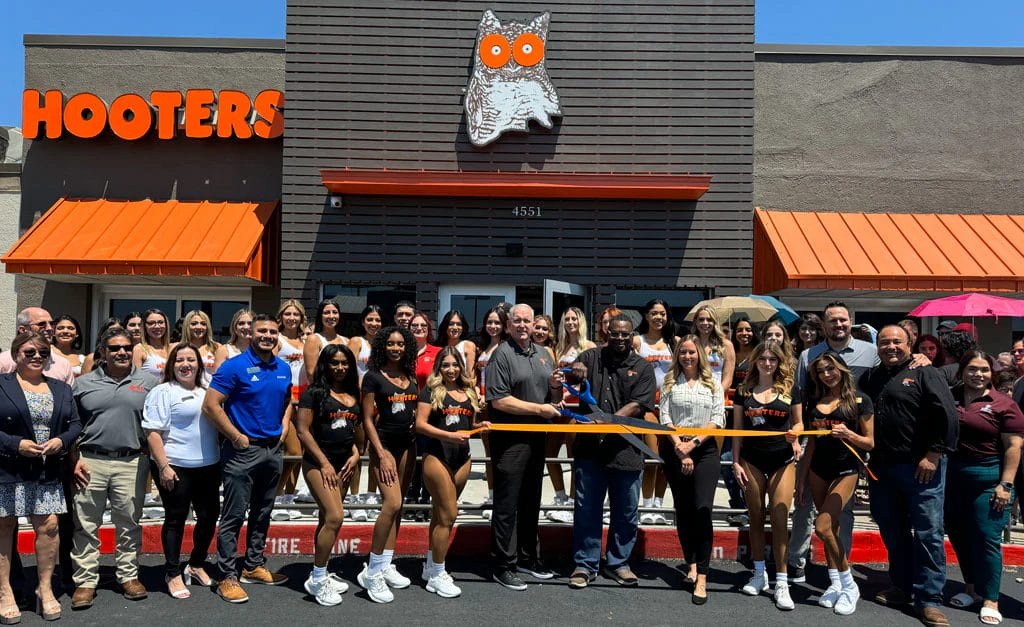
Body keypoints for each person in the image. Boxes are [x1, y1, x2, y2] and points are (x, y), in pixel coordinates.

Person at [861, 325, 957, 627]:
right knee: (893, 530)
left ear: (909, 343)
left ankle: (929, 599)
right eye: (884, 342)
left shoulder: (925, 372)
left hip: (921, 468)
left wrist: (934, 454)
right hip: (882, 469)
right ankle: (901, 586)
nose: (890, 347)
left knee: (928, 533)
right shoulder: (871, 377)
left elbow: (947, 414)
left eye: (896, 342)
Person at [203, 314, 293, 604]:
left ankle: (253, 565)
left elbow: (287, 400)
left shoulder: (283, 367)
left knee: (263, 511)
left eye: (273, 332)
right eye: (262, 331)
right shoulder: (234, 366)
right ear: (251, 334)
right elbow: (211, 405)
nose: (268, 335)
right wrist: (235, 436)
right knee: (234, 515)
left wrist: (284, 427)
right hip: (243, 451)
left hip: (272, 449)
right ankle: (227, 576)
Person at [788, 301, 880, 582]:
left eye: (842, 319)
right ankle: (796, 560)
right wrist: (798, 430)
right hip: (816, 435)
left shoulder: (872, 352)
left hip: (849, 442)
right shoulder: (809, 355)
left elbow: (883, 384)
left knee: (843, 511)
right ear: (824, 325)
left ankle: (840, 568)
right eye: (832, 320)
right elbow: (800, 395)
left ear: (850, 321)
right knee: (803, 503)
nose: (838, 324)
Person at [70, 328, 158, 610]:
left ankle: (128, 576)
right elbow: (70, 425)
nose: (122, 352)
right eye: (115, 348)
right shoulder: (83, 384)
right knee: (85, 524)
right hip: (90, 460)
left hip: (131, 461)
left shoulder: (149, 382)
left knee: (129, 523)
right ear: (103, 352)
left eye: (127, 348)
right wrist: (73, 458)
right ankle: (85, 581)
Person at [565, 314, 655, 590]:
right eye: (614, 333)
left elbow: (638, 404)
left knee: (626, 511)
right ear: (606, 333)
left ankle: (618, 563)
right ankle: (585, 564)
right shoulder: (589, 357)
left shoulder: (643, 368)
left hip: (626, 450)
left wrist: (607, 420)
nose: (619, 338)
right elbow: (571, 376)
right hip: (590, 449)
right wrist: (575, 370)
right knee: (587, 509)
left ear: (632, 335)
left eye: (625, 334)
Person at [0, 332, 80, 623]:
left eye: (43, 353)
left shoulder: (61, 388)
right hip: (8, 467)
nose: (36, 357)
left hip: (46, 468)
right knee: (4, 527)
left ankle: (44, 589)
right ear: (16, 354)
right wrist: (15, 444)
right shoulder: (2, 384)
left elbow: (75, 424)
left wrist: (62, 441)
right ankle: (5, 591)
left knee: (49, 526)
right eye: (29, 352)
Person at [486, 304, 562, 591]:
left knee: (531, 500)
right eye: (516, 320)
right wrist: (539, 409)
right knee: (507, 504)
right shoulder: (501, 355)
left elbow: (552, 396)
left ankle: (529, 558)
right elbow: (499, 400)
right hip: (511, 441)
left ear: (533, 324)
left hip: (537, 437)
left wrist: (554, 387)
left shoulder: (543, 354)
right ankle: (503, 565)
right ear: (508, 326)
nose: (522, 325)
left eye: (526, 321)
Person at [945, 350, 1023, 625]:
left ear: (992, 373)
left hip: (989, 478)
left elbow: (1013, 447)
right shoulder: (949, 396)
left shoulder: (1003, 404)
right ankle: (971, 589)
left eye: (984, 370)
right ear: (962, 371)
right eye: (972, 369)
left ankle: (991, 599)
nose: (978, 374)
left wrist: (1006, 484)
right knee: (959, 535)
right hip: (953, 477)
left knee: (986, 538)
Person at [142, 343, 220, 600]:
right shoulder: (163, 391)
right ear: (171, 365)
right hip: (175, 466)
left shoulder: (208, 389)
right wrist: (163, 466)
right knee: (175, 519)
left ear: (199, 364)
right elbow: (153, 432)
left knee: (209, 517)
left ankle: (196, 564)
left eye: (191, 360)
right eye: (179, 360)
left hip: (209, 465)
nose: (186, 365)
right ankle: (172, 572)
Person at [797, 353, 874, 615]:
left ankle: (849, 585)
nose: (827, 375)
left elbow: (870, 443)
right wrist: (801, 479)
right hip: (818, 471)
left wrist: (849, 434)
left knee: (822, 526)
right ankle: (836, 583)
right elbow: (811, 444)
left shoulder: (860, 400)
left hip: (846, 469)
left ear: (841, 368)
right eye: (821, 371)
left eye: (831, 369)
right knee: (833, 529)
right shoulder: (815, 402)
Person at [732, 340, 802, 611]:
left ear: (779, 362)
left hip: (782, 460)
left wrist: (796, 436)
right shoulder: (743, 390)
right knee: (756, 516)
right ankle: (759, 573)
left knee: (780, 516)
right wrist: (735, 462)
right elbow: (737, 430)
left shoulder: (790, 388)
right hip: (751, 460)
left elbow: (799, 422)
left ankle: (782, 581)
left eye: (773, 359)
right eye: (763, 359)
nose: (768, 363)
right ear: (755, 361)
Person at [415, 347, 490, 598]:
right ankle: (438, 574)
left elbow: (468, 423)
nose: (451, 369)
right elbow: (420, 425)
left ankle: (430, 565)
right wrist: (448, 436)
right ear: (439, 367)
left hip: (463, 457)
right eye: (446, 365)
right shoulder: (430, 391)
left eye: (455, 364)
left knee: (440, 514)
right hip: (437, 456)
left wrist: (480, 426)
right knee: (449, 515)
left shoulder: (468, 391)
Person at [658, 334, 724, 603]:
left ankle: (704, 577)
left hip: (704, 449)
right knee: (684, 510)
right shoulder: (669, 381)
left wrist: (693, 444)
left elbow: (717, 419)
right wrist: (679, 446)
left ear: (700, 355)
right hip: (675, 448)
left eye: (692, 352)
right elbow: (664, 417)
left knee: (702, 510)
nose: (687, 356)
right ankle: (692, 565)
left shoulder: (713, 383)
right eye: (683, 352)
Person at [294, 344, 362, 607]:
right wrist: (324, 463)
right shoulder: (314, 392)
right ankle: (317, 578)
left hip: (344, 465)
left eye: (345, 363)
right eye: (335, 362)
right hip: (318, 464)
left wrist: (355, 454)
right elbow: (302, 431)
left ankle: (321, 571)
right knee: (335, 516)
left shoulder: (352, 392)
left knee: (326, 519)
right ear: (325, 364)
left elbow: (350, 429)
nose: (340, 367)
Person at [357, 326, 418, 603]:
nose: (396, 348)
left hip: (409, 445)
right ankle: (372, 569)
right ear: (383, 346)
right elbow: (367, 418)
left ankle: (386, 564)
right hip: (385, 446)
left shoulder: (410, 375)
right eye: (391, 344)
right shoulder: (372, 377)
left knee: (399, 506)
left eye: (401, 344)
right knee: (391, 504)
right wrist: (380, 453)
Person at [548, 307, 596, 524]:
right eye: (566, 319)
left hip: (577, 409)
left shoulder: (590, 347)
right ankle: (560, 497)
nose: (570, 322)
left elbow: (592, 379)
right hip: (558, 408)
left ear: (581, 321)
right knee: (549, 454)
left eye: (574, 319)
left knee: (574, 457)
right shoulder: (558, 348)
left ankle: (574, 502)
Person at [632, 299, 677, 525]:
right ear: (646, 316)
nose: (658, 317)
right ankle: (647, 505)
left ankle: (658, 505)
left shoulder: (674, 342)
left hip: (671, 406)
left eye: (662, 313)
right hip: (647, 406)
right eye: (654, 313)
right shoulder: (637, 341)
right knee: (652, 456)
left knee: (667, 459)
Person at [349, 305, 384, 522]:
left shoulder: (383, 344)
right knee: (358, 450)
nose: (374, 324)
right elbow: (349, 371)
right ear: (363, 321)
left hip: (380, 403)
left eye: (377, 320)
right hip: (360, 402)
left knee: (375, 452)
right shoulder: (356, 342)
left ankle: (371, 496)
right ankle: (354, 499)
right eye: (370, 319)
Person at [475, 306, 509, 520]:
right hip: (484, 408)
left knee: (502, 455)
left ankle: (503, 498)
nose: (493, 326)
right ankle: (491, 496)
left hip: (500, 406)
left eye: (497, 322)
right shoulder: (483, 347)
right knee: (489, 455)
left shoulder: (507, 347)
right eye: (490, 322)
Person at [275, 300, 309, 515]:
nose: (292, 318)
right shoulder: (277, 339)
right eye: (287, 314)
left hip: (304, 400)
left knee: (301, 452)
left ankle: (289, 496)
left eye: (296, 314)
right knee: (293, 451)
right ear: (281, 317)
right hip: (284, 400)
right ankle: (276, 495)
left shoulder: (306, 341)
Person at [0, 308, 75, 386]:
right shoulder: (4, 362)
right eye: (41, 324)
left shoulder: (63, 364)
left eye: (51, 323)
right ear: (23, 330)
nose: (49, 328)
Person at [304, 299, 347, 382]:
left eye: (335, 312)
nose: (331, 316)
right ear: (320, 316)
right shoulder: (314, 340)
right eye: (326, 313)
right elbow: (311, 374)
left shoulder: (346, 341)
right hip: (323, 388)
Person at [132, 308, 171, 377]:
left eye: (161, 322)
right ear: (144, 326)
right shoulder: (139, 349)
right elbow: (135, 379)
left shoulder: (173, 348)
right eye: (151, 323)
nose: (157, 326)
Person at [178, 310, 220, 374]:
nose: (199, 327)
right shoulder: (178, 348)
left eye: (203, 324)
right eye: (194, 324)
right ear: (187, 326)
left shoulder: (217, 348)